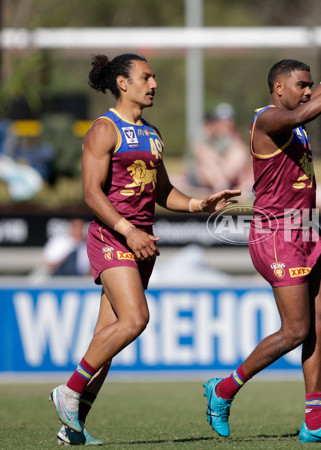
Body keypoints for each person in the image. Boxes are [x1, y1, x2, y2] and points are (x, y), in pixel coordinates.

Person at [48, 53, 240, 446]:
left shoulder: (152, 133)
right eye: (146, 77)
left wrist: (201, 204)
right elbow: (90, 193)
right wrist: (127, 231)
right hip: (113, 238)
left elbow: (164, 191)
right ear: (122, 83)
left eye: (154, 78)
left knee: (107, 337)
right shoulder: (104, 129)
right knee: (136, 320)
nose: (154, 84)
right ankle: (68, 391)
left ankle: (74, 426)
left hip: (142, 244)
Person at [203, 39, 321, 443]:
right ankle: (223, 390)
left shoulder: (290, 114)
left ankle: (314, 422)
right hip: (277, 234)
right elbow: (310, 109)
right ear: (278, 89)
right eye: (301, 85)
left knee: (320, 323)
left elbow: (308, 104)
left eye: (311, 84)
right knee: (295, 330)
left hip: (306, 230)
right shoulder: (269, 120)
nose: (307, 91)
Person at [190, 102, 253, 193]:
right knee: (206, 155)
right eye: (224, 121)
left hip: (223, 172)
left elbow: (243, 157)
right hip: (201, 174)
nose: (227, 125)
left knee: (239, 152)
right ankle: (222, 186)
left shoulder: (231, 136)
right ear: (215, 121)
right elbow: (199, 152)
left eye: (230, 121)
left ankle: (226, 186)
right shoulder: (204, 132)